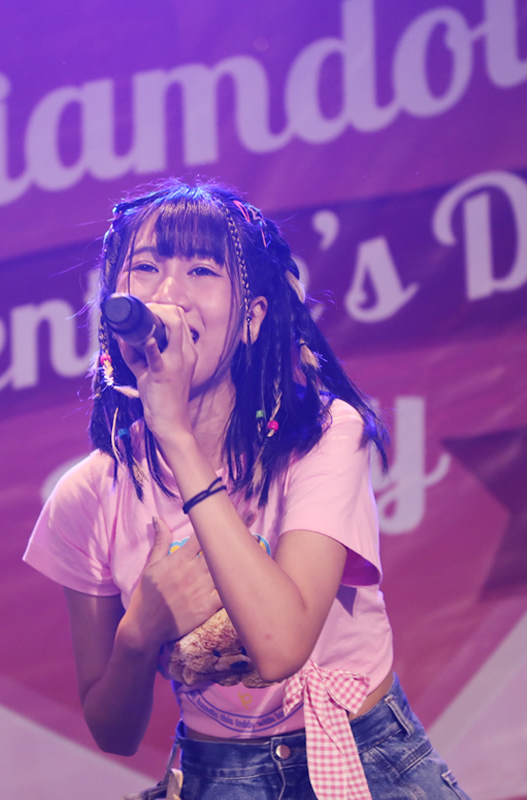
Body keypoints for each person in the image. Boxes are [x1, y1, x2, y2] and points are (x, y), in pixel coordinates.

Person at [24, 180, 469, 799]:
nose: (168, 294)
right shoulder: (89, 495)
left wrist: (174, 433)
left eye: (201, 270)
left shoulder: (325, 436)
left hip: (363, 758)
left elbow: (281, 645)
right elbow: (113, 731)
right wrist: (139, 632)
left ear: (252, 318)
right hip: (218, 776)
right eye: (146, 268)